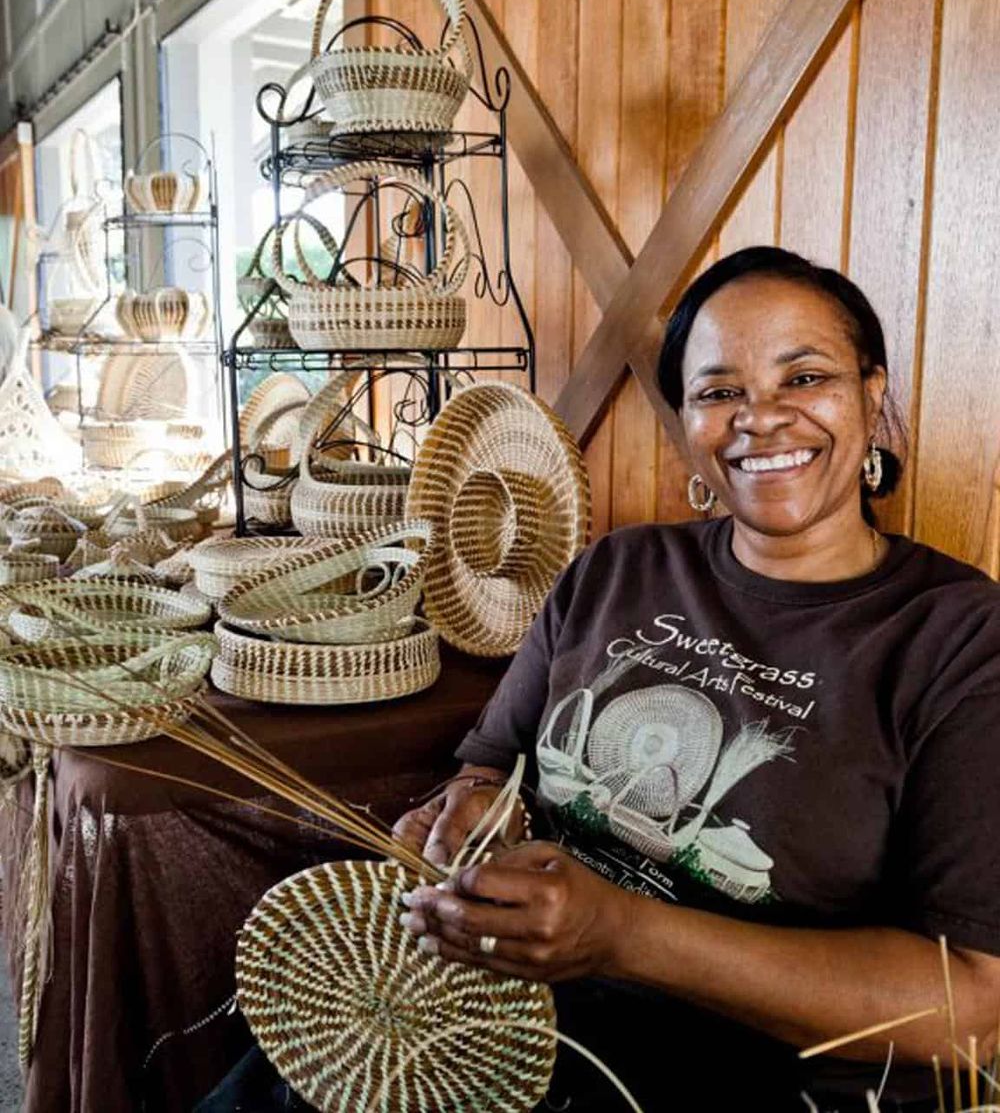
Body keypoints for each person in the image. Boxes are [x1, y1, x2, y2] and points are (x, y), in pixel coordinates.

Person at [197, 246, 1000, 1112]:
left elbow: (971, 1009)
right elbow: (489, 768)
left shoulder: (959, 637)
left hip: (757, 1073)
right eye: (719, 391)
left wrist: (619, 932)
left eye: (804, 378)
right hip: (522, 1009)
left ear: (871, 397)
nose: (760, 419)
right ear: (688, 421)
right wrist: (462, 812)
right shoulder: (616, 571)